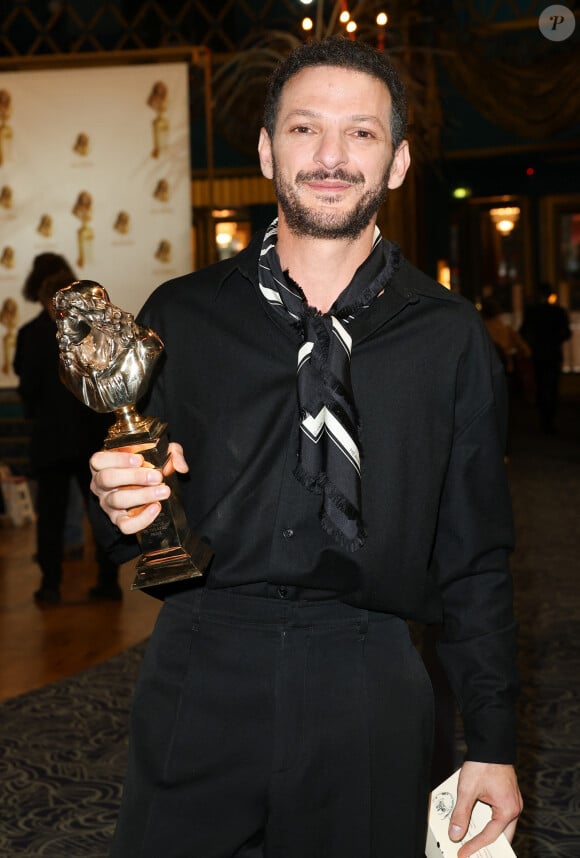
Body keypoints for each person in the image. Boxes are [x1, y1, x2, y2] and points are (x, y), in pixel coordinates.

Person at [88, 37, 522, 858]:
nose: (330, 156)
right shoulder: (179, 317)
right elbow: (131, 515)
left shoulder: (451, 338)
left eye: (360, 133)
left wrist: (492, 742)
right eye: (304, 129)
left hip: (371, 677)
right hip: (199, 665)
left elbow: (475, 555)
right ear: (264, 150)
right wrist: (117, 499)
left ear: (396, 162)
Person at [13, 265, 121, 604]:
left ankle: (50, 586)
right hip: (91, 436)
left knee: (51, 518)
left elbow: (26, 387)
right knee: (102, 512)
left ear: (44, 298)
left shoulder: (30, 334)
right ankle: (108, 582)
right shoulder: (91, 330)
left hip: (50, 439)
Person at [519, 282, 572, 434]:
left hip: (539, 354)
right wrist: (556, 339)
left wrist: (533, 343)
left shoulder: (532, 312)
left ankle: (544, 418)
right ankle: (549, 418)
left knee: (541, 385)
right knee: (552, 386)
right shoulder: (558, 312)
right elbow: (567, 333)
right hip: (553, 353)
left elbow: (523, 331)